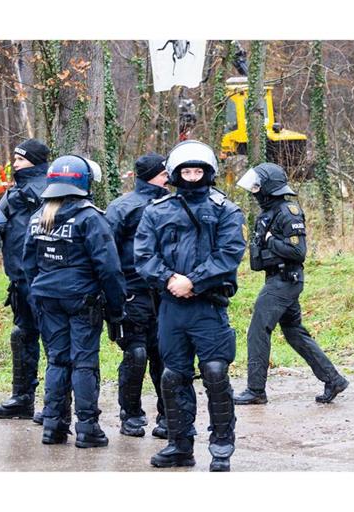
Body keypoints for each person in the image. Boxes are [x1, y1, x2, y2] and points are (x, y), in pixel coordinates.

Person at [135, 140, 245, 471]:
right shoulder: (156, 211)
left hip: (208, 306)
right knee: (173, 376)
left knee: (214, 372)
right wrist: (169, 279)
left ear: (208, 172)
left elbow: (229, 253)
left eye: (199, 170)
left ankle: (222, 443)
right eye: (187, 170)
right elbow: (143, 255)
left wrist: (194, 281)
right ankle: (180, 444)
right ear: (176, 173)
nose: (193, 176)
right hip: (170, 306)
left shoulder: (226, 210)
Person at [23, 154, 126, 447]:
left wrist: (37, 294)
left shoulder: (39, 216)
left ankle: (53, 427)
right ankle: (87, 428)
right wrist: (117, 309)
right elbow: (108, 267)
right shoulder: (90, 217)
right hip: (82, 300)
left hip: (46, 298)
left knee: (56, 360)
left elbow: (27, 263)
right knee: (83, 362)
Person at [233, 162, 349, 406]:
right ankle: (333, 379)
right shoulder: (269, 212)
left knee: (258, 329)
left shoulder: (288, 211)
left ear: (269, 187)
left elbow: (298, 251)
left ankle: (256, 390)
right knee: (294, 332)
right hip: (278, 278)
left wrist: (270, 240)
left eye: (257, 186)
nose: (253, 191)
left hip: (286, 280)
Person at [0, 139, 49, 422]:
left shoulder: (49, 190)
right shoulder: (14, 191)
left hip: (46, 281)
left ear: (34, 161)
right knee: (22, 336)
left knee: (56, 343)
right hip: (19, 279)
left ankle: (57, 406)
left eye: (21, 160)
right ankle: (22, 399)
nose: (15, 164)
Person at [105, 153, 170, 438]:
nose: (169, 176)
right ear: (152, 175)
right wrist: (113, 295)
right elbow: (105, 255)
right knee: (137, 353)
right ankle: (130, 414)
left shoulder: (173, 204)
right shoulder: (122, 207)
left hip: (167, 291)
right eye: (163, 172)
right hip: (132, 293)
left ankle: (168, 415)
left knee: (165, 356)